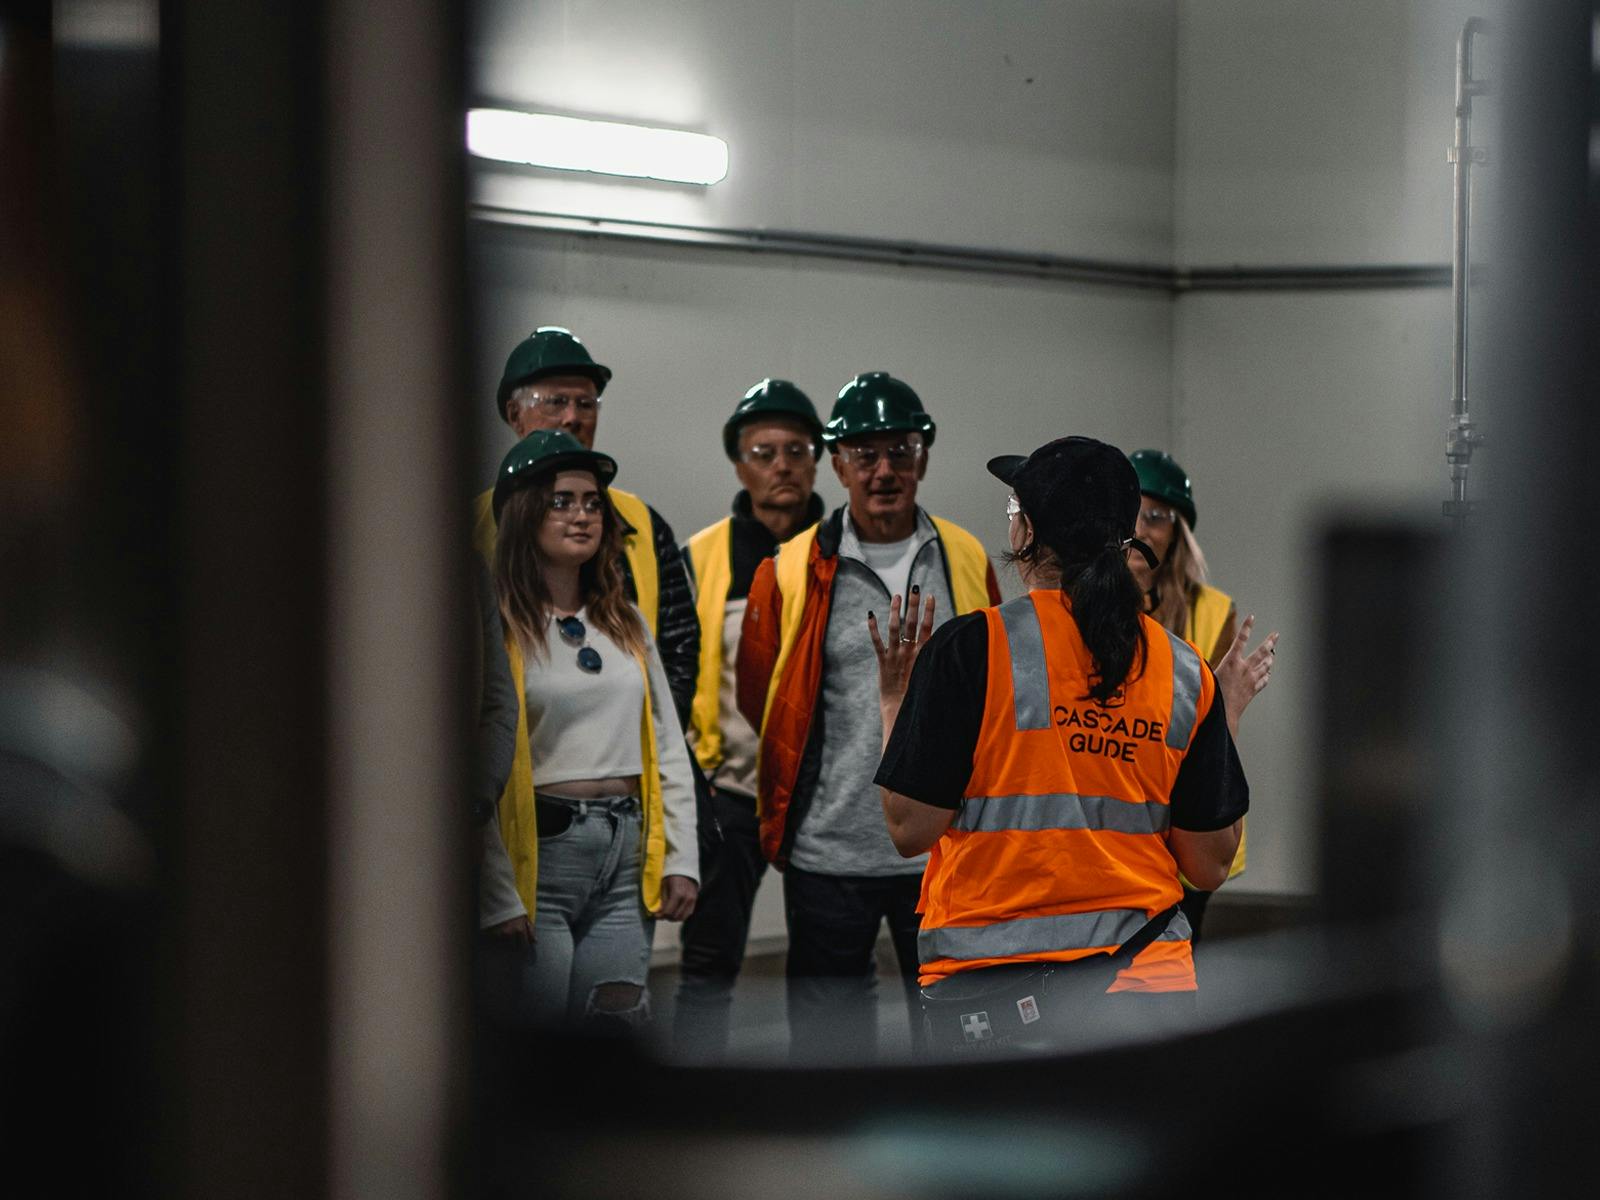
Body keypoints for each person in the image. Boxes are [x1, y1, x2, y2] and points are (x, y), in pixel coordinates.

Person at [872, 436, 1250, 1056]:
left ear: (1028, 533)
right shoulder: (1187, 673)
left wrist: (893, 699)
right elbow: (1208, 865)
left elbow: (909, 826)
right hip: (1146, 992)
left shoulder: (973, 650)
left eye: (1014, 510)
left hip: (990, 997)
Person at [736, 371, 1000, 1062]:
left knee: (955, 1037)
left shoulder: (966, 556)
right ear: (838, 462)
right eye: (865, 454)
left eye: (902, 451)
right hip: (829, 851)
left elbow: (996, 686)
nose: (885, 471)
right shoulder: (791, 567)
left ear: (925, 457)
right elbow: (761, 695)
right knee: (829, 1050)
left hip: (942, 851)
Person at [478, 429, 700, 1029]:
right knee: (539, 1045)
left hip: (626, 857)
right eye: (562, 501)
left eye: (592, 502)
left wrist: (683, 857)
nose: (583, 515)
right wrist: (494, 890)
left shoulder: (623, 619)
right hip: (541, 862)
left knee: (615, 1035)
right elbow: (471, 772)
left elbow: (666, 743)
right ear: (523, 514)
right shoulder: (496, 625)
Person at [674, 379, 827, 1059]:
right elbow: (674, 675)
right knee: (709, 964)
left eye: (797, 449)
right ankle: (690, 1095)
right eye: (764, 451)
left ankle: (821, 1095)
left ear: (818, 460)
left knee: (827, 971)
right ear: (740, 465)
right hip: (729, 793)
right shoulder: (700, 556)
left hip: (825, 799)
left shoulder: (842, 547)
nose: (782, 465)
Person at [472, 326, 700, 727]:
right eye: (556, 402)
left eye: (586, 404)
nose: (572, 418)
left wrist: (648, 734)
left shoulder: (642, 522)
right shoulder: (473, 527)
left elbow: (679, 646)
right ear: (514, 414)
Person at [1128, 448, 1277, 939]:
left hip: (1184, 814)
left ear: (1178, 533)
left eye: (1158, 516)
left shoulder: (1213, 612)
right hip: (1120, 811)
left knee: (1175, 956)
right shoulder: (1089, 603)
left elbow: (1207, 722)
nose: (1142, 527)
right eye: (1132, 510)